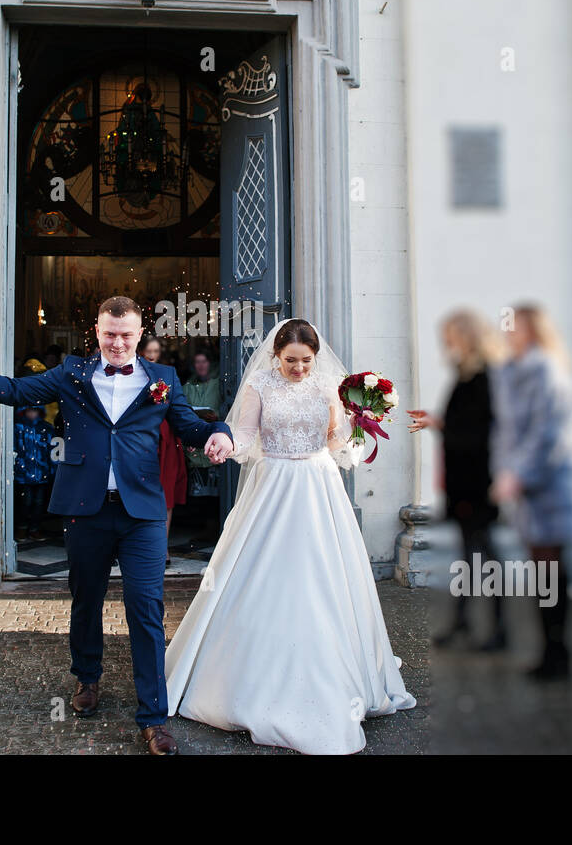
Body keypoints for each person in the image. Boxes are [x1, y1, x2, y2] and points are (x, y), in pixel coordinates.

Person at [0, 296, 234, 755]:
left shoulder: (163, 380)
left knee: (146, 608)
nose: (117, 343)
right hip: (85, 509)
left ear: (139, 333)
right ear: (97, 330)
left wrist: (219, 433)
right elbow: (12, 390)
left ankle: (153, 715)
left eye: (126, 335)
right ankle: (87, 678)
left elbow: (189, 424)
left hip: (142, 513)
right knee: (85, 598)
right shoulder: (71, 374)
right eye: (110, 334)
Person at [164, 319, 417, 755]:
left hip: (319, 487)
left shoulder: (328, 386)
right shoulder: (260, 384)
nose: (299, 368)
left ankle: (333, 670)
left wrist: (360, 422)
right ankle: (243, 679)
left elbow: (337, 441)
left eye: (306, 361)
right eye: (291, 361)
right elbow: (245, 435)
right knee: (264, 577)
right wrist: (225, 445)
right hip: (273, 485)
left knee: (323, 577)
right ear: (275, 356)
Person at [491, 304, 572, 680]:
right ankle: (551, 651)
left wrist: (517, 473)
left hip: (552, 483)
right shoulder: (511, 371)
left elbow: (548, 430)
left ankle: (557, 653)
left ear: (533, 331)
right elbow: (507, 429)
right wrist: (507, 470)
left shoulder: (545, 369)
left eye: (515, 328)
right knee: (542, 569)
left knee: (550, 569)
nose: (508, 334)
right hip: (528, 483)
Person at [407, 308, 508, 651]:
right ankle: (465, 621)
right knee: (472, 553)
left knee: (486, 555)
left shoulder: (483, 378)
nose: (446, 343)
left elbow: (483, 432)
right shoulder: (467, 376)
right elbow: (466, 426)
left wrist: (445, 427)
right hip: (465, 478)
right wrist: (439, 423)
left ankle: (499, 628)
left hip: (478, 480)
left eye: (451, 336)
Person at [140, 334, 185, 565]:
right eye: (149, 351)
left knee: (166, 493)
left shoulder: (167, 374)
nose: (152, 355)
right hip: (142, 437)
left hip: (166, 437)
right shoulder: (133, 372)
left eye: (156, 351)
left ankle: (163, 548)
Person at [182, 350, 223, 499]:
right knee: (198, 501)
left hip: (215, 446)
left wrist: (217, 415)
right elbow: (182, 414)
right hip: (195, 448)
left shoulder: (218, 384)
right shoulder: (187, 387)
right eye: (197, 362)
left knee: (216, 499)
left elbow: (230, 408)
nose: (201, 365)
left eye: (203, 361)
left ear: (210, 364)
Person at [13, 404, 55, 541]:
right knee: (25, 502)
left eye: (35, 410)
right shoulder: (18, 428)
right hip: (23, 474)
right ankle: (21, 528)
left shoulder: (46, 428)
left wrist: (52, 469)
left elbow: (52, 451)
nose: (32, 414)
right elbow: (14, 448)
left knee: (39, 503)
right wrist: (17, 465)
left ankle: (35, 529)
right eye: (30, 410)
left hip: (41, 473)